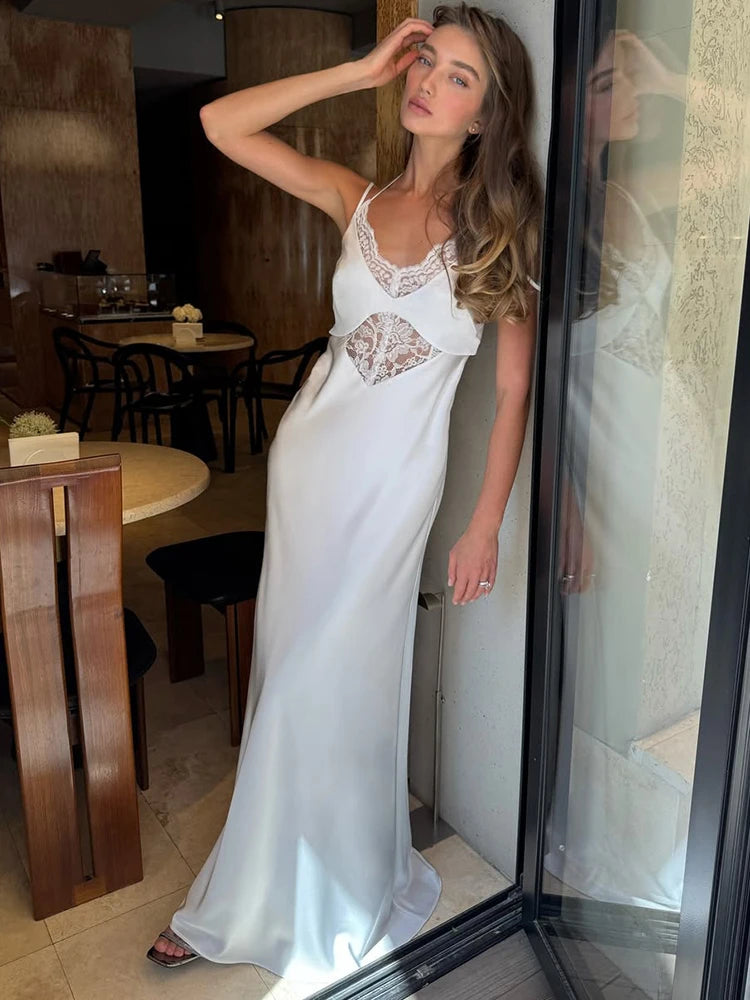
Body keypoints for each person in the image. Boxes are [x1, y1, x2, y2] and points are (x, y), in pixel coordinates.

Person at [147, 3, 541, 985]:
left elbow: (516, 387)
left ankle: (301, 891)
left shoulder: (499, 231)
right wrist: (354, 70)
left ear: (487, 116)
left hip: (396, 490)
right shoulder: (354, 198)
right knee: (292, 674)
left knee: (332, 680)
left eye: (457, 76)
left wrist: (488, 519)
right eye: (426, 64)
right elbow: (220, 125)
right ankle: (264, 887)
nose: (427, 84)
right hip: (310, 472)